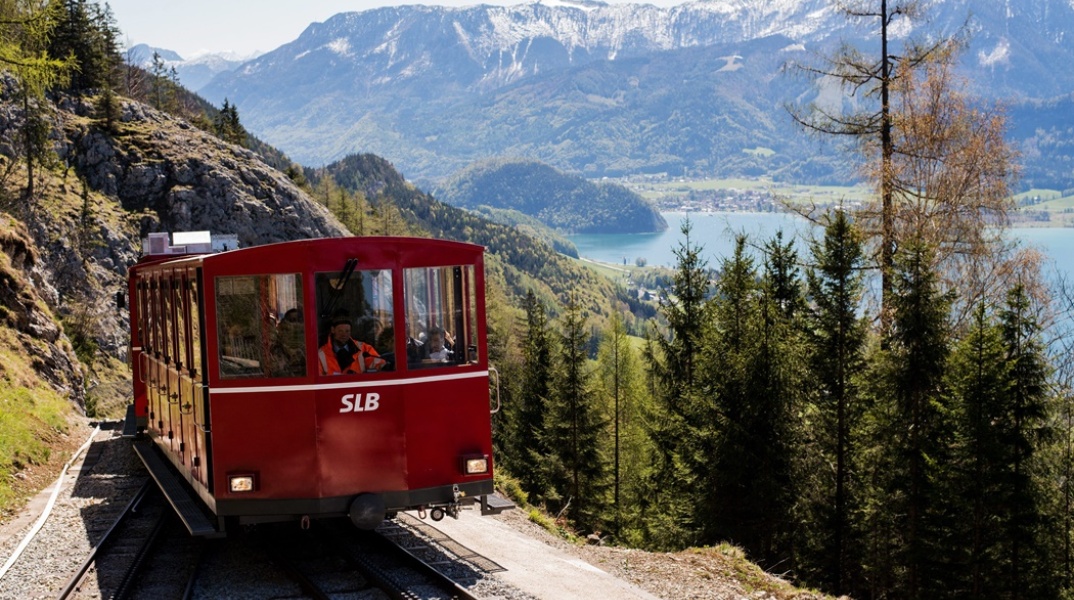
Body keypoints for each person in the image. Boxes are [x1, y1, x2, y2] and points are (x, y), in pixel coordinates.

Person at [318, 316, 388, 375]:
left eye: (347, 331)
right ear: (333, 330)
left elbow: (378, 363)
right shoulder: (321, 354)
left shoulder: (363, 348)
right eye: (340, 331)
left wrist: (385, 366)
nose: (344, 334)